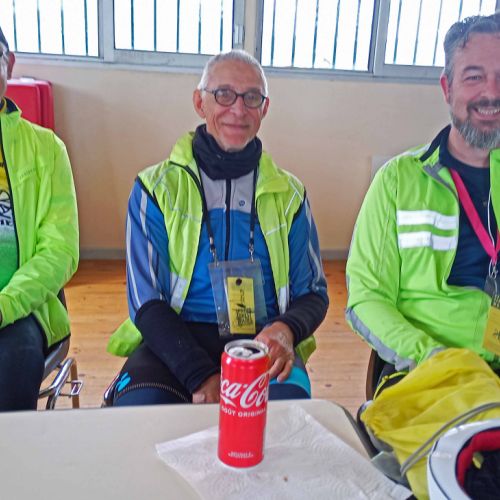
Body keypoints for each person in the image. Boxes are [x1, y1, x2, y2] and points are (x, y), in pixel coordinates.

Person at [108, 49, 328, 405]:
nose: (238, 110)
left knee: (287, 419)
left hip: (262, 341)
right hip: (175, 340)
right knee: (140, 413)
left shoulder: (290, 195)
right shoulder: (155, 188)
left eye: (251, 97)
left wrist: (286, 329)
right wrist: (200, 376)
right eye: (224, 94)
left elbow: (313, 293)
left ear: (264, 109)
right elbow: (145, 301)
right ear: (200, 102)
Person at [346, 13, 500, 389]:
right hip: (424, 371)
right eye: (474, 77)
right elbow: (366, 298)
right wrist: (431, 356)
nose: (492, 93)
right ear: (447, 88)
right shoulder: (398, 181)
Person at [0, 27, 79, 410]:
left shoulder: (46, 149)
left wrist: (6, 305)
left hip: (20, 308)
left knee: (12, 370)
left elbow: (60, 250)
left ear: (9, 64)